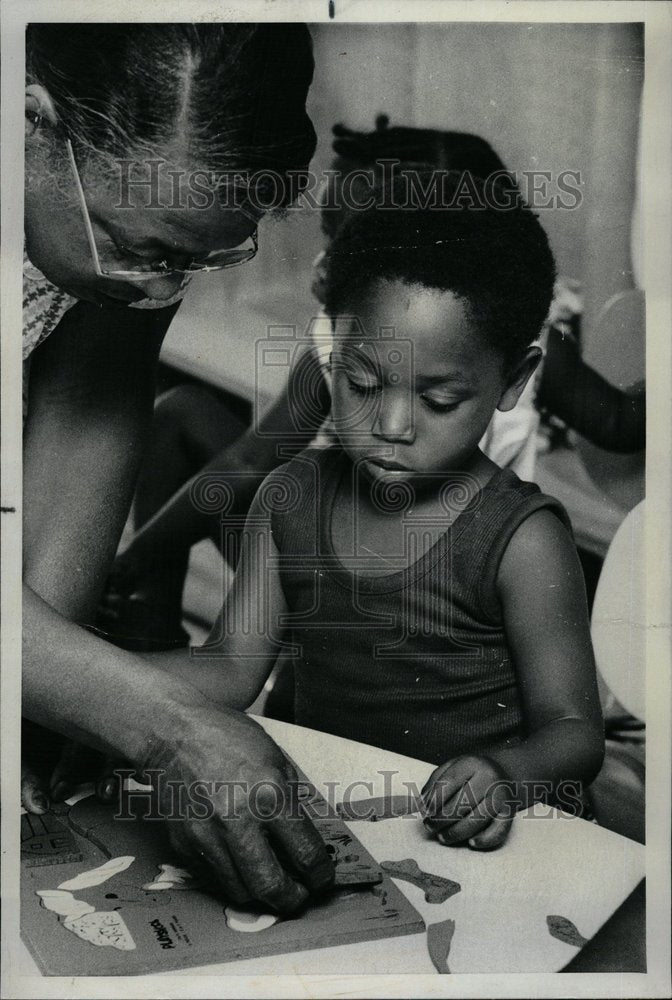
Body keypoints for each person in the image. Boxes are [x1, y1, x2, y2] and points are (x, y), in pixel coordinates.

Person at [146, 173, 605, 850]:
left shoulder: (522, 540)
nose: (391, 424)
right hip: (352, 828)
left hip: (488, 842)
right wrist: (85, 685)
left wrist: (505, 774)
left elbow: (573, 732)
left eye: (439, 401)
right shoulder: (291, 493)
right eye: (361, 383)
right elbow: (231, 667)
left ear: (512, 382)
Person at [22, 22, 335, 912]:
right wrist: (156, 722)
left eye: (205, 256)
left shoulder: (136, 220)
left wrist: (43, 714)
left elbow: (84, 420)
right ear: (31, 121)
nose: (165, 291)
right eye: (150, 249)